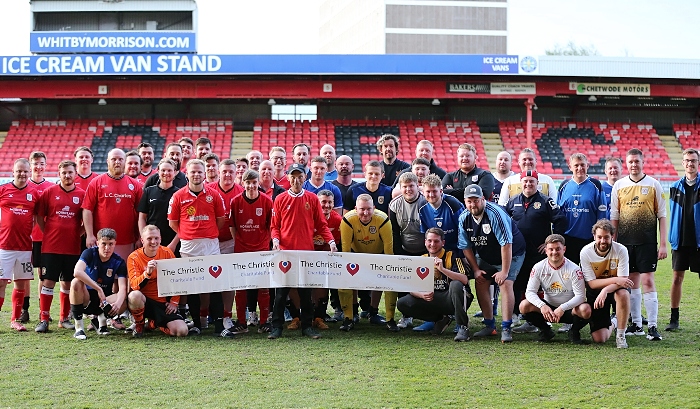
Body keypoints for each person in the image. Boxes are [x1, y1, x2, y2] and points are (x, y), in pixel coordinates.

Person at [269, 163, 337, 340]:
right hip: (285, 253)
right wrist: (275, 240)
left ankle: (307, 326)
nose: (296, 180)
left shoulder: (312, 199)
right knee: (281, 294)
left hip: (306, 253)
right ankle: (276, 327)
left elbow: (321, 224)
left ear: (304, 178)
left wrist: (330, 241)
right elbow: (275, 226)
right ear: (288, 177)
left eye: (300, 176)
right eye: (293, 176)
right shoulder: (280, 199)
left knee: (306, 294)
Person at [610, 148, 667, 341]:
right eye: (631, 162)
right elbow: (614, 217)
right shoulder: (619, 185)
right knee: (631, 283)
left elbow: (662, 216)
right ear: (627, 164)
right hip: (625, 244)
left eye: (637, 161)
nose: (634, 164)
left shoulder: (653, 184)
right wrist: (613, 241)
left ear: (643, 162)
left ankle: (652, 326)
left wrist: (663, 244)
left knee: (648, 281)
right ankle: (636, 324)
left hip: (647, 242)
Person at [458, 184, 526, 343]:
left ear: (483, 199)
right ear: (465, 202)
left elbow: (506, 244)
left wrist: (504, 271)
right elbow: (465, 246)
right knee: (481, 282)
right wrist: (475, 269)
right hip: (486, 255)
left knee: (505, 284)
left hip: (512, 253)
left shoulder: (495, 214)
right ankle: (489, 325)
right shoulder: (464, 218)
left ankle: (507, 327)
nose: (473, 204)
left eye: (476, 200)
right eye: (469, 201)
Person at [168, 159, 227, 335]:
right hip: (188, 246)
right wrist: (189, 233)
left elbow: (221, 220)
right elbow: (173, 223)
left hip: (210, 245)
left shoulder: (214, 195)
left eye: (199, 172)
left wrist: (207, 232)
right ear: (187, 174)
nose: (196, 175)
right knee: (193, 288)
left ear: (205, 174)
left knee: (215, 286)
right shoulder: (178, 196)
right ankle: (197, 326)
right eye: (193, 172)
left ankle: (218, 326)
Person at [505, 170, 568, 334]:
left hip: (537, 253)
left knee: (537, 285)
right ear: (521, 183)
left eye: (531, 181)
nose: (528, 184)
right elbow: (505, 220)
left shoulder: (546, 201)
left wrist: (549, 242)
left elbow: (560, 220)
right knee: (518, 283)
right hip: (518, 251)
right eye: (525, 181)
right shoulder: (513, 201)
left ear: (537, 183)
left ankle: (540, 319)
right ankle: (521, 316)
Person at [34, 160, 85, 333]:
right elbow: (40, 217)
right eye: (64, 173)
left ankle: (64, 318)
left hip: (72, 247)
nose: (67, 175)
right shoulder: (49, 192)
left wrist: (76, 233)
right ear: (59, 174)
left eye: (70, 172)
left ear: (75, 174)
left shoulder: (82, 194)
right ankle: (44, 319)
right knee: (48, 282)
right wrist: (48, 231)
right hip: (51, 247)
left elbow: (86, 220)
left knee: (68, 283)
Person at [396, 228, 473, 341]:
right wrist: (421, 295)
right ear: (425, 242)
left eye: (436, 241)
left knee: (456, 284)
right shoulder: (421, 260)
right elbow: (412, 287)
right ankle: (441, 319)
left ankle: (463, 327)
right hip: (433, 299)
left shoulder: (453, 256)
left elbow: (464, 279)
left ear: (443, 242)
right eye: (430, 241)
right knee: (403, 303)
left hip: (452, 297)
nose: (432, 244)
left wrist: (442, 269)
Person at [519, 234, 591, 344]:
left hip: (568, 310)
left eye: (558, 249)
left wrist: (562, 308)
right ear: (546, 250)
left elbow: (581, 296)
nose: (554, 252)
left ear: (564, 249)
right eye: (551, 249)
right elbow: (530, 292)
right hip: (548, 309)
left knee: (585, 310)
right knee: (524, 306)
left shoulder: (574, 269)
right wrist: (542, 306)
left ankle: (574, 332)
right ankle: (545, 330)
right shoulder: (538, 267)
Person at [339, 194, 396, 331]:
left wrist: (389, 268)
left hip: (378, 253)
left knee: (385, 280)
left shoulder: (382, 219)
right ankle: (350, 316)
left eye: (369, 209)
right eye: (362, 209)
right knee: (348, 280)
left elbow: (389, 247)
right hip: (355, 254)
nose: (365, 213)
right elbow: (345, 248)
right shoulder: (347, 219)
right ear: (355, 208)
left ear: (374, 208)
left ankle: (383, 316)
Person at [230, 170, 274, 333]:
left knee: (263, 288)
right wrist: (240, 242)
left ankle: (263, 323)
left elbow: (272, 225)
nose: (251, 185)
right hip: (241, 250)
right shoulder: (235, 202)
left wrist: (264, 243)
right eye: (248, 182)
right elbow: (232, 226)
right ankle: (242, 322)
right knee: (241, 288)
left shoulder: (267, 201)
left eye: (254, 182)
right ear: (243, 183)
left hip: (261, 250)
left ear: (258, 183)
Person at [127, 225, 188, 338]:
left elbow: (177, 278)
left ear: (160, 239)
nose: (153, 242)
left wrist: (174, 302)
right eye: (149, 238)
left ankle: (154, 323)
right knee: (134, 295)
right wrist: (147, 273)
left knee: (182, 331)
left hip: (163, 302)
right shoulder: (134, 257)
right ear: (142, 240)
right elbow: (135, 286)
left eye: (156, 238)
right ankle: (139, 323)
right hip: (144, 302)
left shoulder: (167, 253)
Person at [580, 219, 633, 348]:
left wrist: (606, 290)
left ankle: (621, 335)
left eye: (606, 237)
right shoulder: (585, 252)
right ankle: (615, 320)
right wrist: (615, 279)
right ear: (594, 236)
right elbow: (592, 284)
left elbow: (623, 282)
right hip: (596, 291)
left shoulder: (621, 250)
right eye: (599, 237)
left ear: (612, 237)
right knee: (599, 338)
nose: (603, 241)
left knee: (623, 294)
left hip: (615, 289)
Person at [82, 148, 143, 259]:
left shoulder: (135, 185)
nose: (117, 162)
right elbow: (87, 210)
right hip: (101, 240)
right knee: (100, 275)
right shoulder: (96, 183)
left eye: (120, 159)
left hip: (127, 241)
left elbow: (141, 214)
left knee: (124, 274)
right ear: (107, 161)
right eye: (113, 159)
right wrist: (90, 235)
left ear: (125, 161)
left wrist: (140, 237)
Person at [0, 159, 39, 331]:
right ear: (13, 172)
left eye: (25, 171)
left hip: (24, 248)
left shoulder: (34, 193)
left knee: (21, 283)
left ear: (29, 172)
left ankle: (15, 320)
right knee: (1, 283)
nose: (22, 174)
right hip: (4, 246)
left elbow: (38, 218)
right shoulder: (3, 190)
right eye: (19, 171)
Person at [69, 228, 128, 340]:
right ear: (97, 243)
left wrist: (118, 304)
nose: (107, 248)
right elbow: (77, 271)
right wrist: (98, 289)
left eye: (111, 244)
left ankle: (101, 321)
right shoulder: (89, 253)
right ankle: (79, 328)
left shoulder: (119, 261)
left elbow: (123, 288)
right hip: (85, 298)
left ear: (115, 244)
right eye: (103, 244)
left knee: (124, 300)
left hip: (104, 301)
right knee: (75, 282)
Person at [666, 148, 700, 331]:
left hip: (699, 241)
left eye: (693, 160)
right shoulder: (675, 187)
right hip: (680, 240)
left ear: (698, 163)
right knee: (677, 279)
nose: (690, 163)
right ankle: (674, 318)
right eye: (687, 160)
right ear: (683, 163)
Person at [208, 159, 243, 337]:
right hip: (210, 241)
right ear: (218, 172)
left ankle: (227, 315)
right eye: (225, 171)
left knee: (228, 281)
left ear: (236, 173)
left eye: (231, 171)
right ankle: (207, 315)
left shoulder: (241, 192)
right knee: (209, 280)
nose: (228, 175)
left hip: (230, 241)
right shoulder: (209, 189)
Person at [557, 153, 607, 265]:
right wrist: (558, 235)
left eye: (582, 165)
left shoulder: (596, 185)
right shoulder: (564, 186)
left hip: (589, 238)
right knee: (569, 274)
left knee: (589, 274)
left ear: (587, 166)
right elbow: (558, 214)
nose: (580, 168)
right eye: (576, 165)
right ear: (570, 167)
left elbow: (602, 213)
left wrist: (599, 235)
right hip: (568, 238)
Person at [27, 151, 54, 324]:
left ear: (46, 165)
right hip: (24, 239)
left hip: (44, 239)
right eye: (35, 163)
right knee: (24, 275)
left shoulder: (51, 187)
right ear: (30, 165)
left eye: (41, 163)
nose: (38, 167)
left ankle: (42, 311)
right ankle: (24, 310)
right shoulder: (23, 184)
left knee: (42, 275)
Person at [310, 189, 343, 328]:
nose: (327, 205)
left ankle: (320, 316)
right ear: (317, 203)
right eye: (323, 202)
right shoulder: (309, 217)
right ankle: (304, 315)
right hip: (310, 258)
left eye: (330, 202)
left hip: (327, 261)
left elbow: (340, 243)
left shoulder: (337, 220)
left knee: (324, 287)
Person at [138, 158, 181, 257]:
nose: (166, 173)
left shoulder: (179, 194)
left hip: (172, 242)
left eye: (169, 170)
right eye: (163, 170)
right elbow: (142, 218)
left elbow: (182, 222)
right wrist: (144, 238)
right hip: (152, 242)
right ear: (158, 171)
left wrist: (173, 244)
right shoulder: (149, 191)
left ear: (175, 172)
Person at [389, 172, 427, 257]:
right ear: (400, 188)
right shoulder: (394, 204)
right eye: (405, 187)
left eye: (411, 186)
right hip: (404, 250)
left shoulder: (426, 202)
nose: (408, 189)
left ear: (417, 186)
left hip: (426, 251)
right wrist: (399, 254)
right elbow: (394, 232)